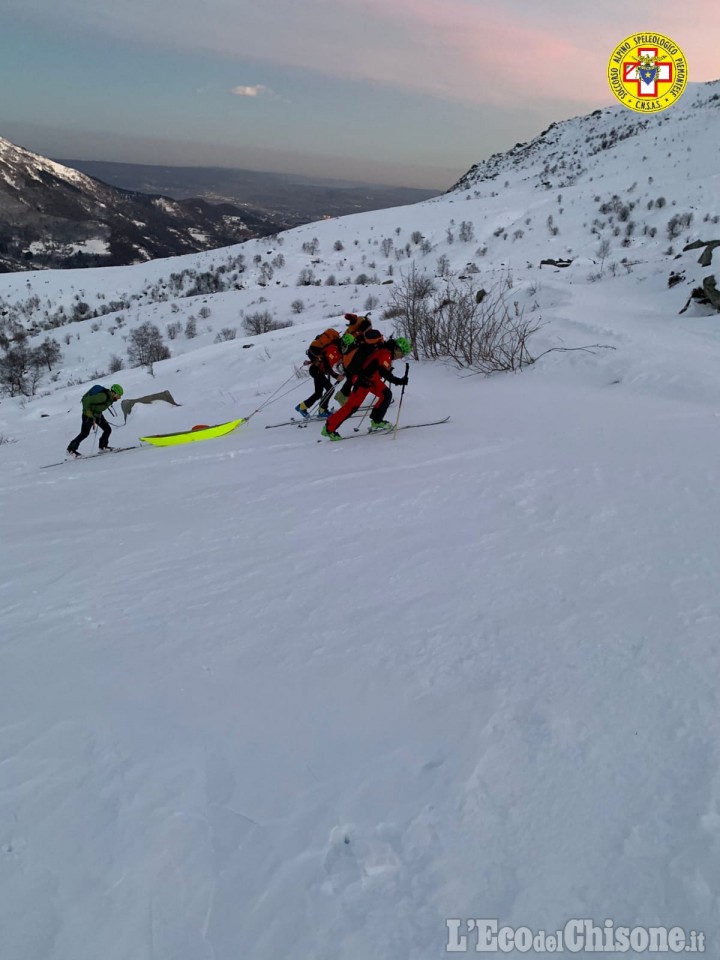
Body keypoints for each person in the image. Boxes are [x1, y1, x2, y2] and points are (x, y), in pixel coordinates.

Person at [321, 336, 411, 441]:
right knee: (351, 407)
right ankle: (329, 428)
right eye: (402, 353)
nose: (401, 357)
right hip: (363, 381)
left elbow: (377, 367)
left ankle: (376, 421)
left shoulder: (385, 351)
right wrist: (399, 381)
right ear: (397, 349)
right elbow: (383, 371)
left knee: (386, 394)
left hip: (372, 380)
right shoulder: (386, 353)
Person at [295, 329, 354, 420]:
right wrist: (336, 376)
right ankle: (322, 410)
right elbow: (326, 364)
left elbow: (322, 358)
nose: (347, 348)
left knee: (318, 393)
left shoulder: (338, 350)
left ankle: (302, 407)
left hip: (318, 371)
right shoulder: (333, 349)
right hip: (317, 371)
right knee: (330, 389)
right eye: (347, 345)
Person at [67, 383, 124, 456]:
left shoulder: (110, 398)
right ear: (113, 393)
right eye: (119, 395)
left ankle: (103, 447)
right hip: (88, 415)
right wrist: (89, 413)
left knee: (107, 429)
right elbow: (85, 400)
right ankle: (71, 449)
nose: (119, 397)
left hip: (97, 414)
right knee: (84, 433)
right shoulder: (102, 397)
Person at [335, 315, 374, 406]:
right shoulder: (359, 334)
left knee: (350, 379)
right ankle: (344, 399)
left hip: (347, 361)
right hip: (352, 362)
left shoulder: (350, 332)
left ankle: (343, 397)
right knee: (353, 379)